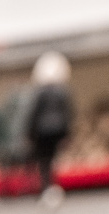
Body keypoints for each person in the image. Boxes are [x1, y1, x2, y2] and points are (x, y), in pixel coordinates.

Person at [26, 51, 74, 205]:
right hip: (57, 131)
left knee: (44, 161)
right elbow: (68, 113)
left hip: (42, 132)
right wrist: (67, 133)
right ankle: (52, 188)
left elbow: (34, 113)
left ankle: (46, 188)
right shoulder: (62, 91)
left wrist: (30, 133)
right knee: (52, 160)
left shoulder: (40, 92)